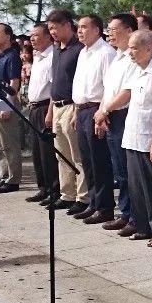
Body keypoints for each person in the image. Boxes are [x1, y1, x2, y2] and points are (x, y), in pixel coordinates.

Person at [120, 30, 152, 248]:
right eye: (130, 47)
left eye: (135, 48)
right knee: (136, 186)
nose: (130, 52)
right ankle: (142, 226)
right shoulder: (136, 70)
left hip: (148, 137)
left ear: (149, 49)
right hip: (132, 136)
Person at [70, 14, 117, 224]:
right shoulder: (83, 53)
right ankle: (93, 202)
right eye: (78, 27)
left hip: (96, 109)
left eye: (84, 27)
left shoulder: (106, 52)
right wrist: (75, 111)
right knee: (87, 161)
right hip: (81, 110)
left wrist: (103, 113)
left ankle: (105, 207)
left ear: (97, 30)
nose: (80, 31)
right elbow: (79, 85)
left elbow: (109, 86)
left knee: (100, 161)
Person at [96, 13, 139, 234]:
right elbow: (109, 90)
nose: (109, 33)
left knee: (129, 170)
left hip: (125, 116)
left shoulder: (133, 59)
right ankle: (125, 212)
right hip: (112, 116)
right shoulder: (116, 57)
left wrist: (105, 110)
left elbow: (127, 92)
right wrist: (102, 112)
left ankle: (135, 216)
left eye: (114, 29)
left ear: (129, 31)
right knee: (119, 170)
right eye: (109, 29)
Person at [44, 11, 89, 213]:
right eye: (50, 28)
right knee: (61, 154)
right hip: (57, 106)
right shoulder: (56, 50)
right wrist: (50, 110)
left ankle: (83, 196)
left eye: (55, 27)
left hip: (72, 106)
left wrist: (77, 110)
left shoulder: (79, 50)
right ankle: (67, 194)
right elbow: (55, 82)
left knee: (76, 154)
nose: (52, 32)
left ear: (67, 25)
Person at [23, 23, 59, 206]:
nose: (32, 39)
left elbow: (54, 88)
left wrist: (50, 112)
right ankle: (43, 187)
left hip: (46, 107)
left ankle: (54, 190)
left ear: (47, 36)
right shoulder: (37, 57)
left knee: (47, 152)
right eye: (31, 36)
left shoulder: (53, 56)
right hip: (34, 107)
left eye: (36, 35)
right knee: (36, 150)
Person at [0, 23, 24, 193]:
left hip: (5, 102)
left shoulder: (12, 56)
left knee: (10, 144)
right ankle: (4, 175)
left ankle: (13, 179)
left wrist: (8, 105)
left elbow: (14, 83)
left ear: (8, 36)